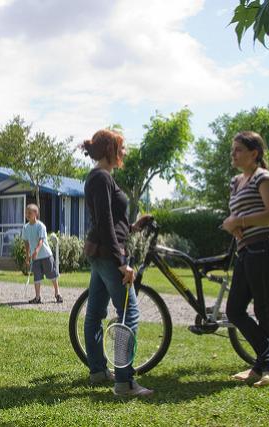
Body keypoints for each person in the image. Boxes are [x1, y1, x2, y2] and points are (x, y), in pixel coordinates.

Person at [82, 129, 152, 397]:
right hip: (108, 254)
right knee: (129, 313)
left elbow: (113, 222)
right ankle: (124, 382)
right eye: (121, 147)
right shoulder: (101, 178)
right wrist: (122, 260)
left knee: (95, 313)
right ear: (110, 149)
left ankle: (98, 371)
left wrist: (133, 227)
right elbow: (105, 223)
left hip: (100, 252)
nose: (124, 152)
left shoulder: (102, 178)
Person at [222, 131, 269, 387]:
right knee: (234, 310)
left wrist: (240, 222)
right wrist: (233, 226)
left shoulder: (264, 177)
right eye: (233, 149)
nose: (233, 153)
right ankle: (265, 362)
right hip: (246, 249)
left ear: (254, 153)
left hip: (264, 247)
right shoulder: (236, 181)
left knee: (263, 308)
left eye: (238, 149)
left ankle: (267, 366)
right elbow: (236, 212)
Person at [22, 204, 63, 304]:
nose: (27, 215)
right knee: (37, 277)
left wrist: (36, 250)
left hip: (45, 255)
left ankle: (57, 294)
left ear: (36, 213)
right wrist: (27, 256)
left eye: (29, 213)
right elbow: (26, 243)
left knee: (52, 274)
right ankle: (37, 297)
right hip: (35, 258)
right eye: (26, 213)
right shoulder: (26, 228)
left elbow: (41, 240)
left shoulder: (41, 226)